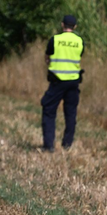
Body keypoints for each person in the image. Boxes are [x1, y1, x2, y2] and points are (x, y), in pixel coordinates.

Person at [41, 15, 84, 152]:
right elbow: (79, 56)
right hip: (73, 82)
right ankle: (67, 144)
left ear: (62, 25)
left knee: (48, 110)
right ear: (75, 26)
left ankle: (49, 145)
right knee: (70, 113)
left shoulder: (55, 40)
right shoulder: (79, 41)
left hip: (57, 81)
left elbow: (47, 57)